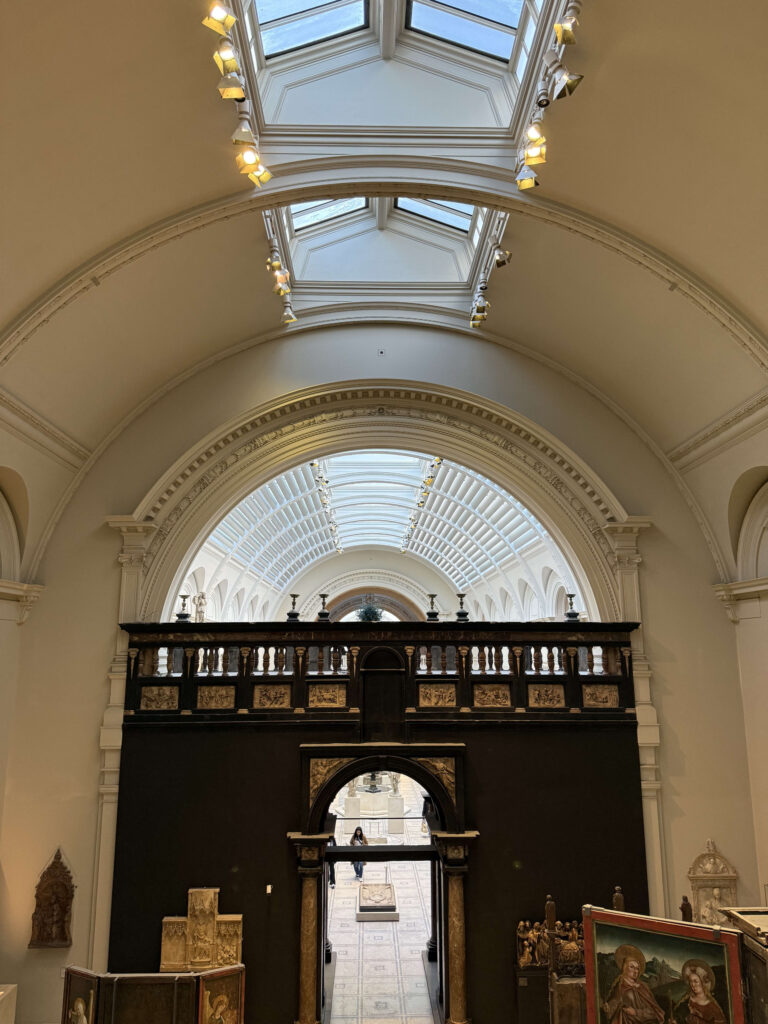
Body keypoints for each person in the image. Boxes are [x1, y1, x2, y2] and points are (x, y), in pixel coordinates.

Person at [603, 945, 666, 1024]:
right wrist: (608, 1009)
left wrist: (636, 1012)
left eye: (637, 968)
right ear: (625, 968)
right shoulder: (619, 987)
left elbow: (655, 1012)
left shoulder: (643, 987)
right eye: (632, 967)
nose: (635, 971)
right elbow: (615, 1003)